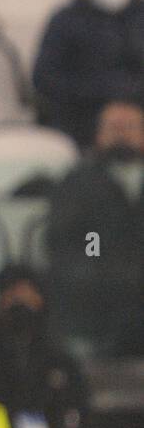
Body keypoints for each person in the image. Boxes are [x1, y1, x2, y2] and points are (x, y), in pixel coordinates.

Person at [45, 99, 144, 355]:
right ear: (99, 134)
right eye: (114, 127)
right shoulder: (78, 182)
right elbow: (66, 239)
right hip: (96, 294)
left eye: (129, 126)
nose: (121, 134)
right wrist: (100, 264)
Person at [0, 264, 91, 428]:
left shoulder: (60, 362)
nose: (20, 305)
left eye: (27, 296)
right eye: (13, 296)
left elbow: (77, 423)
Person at [33, 0, 144, 146]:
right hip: (81, 118)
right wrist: (99, 93)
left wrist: (129, 97)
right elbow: (45, 78)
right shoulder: (66, 20)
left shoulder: (139, 19)